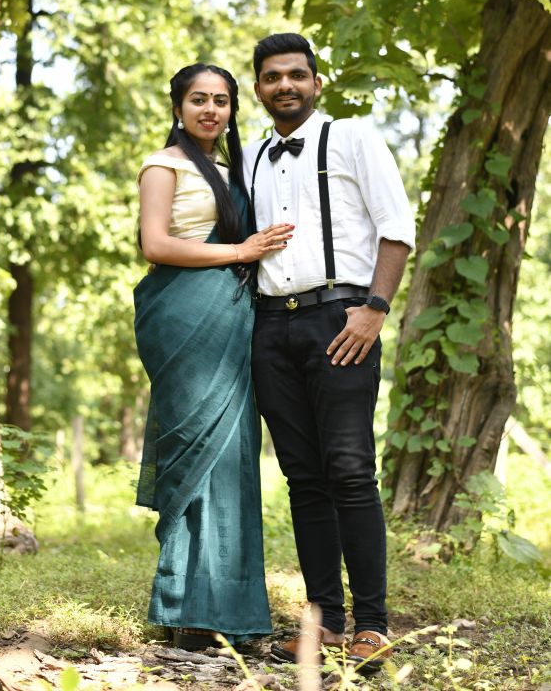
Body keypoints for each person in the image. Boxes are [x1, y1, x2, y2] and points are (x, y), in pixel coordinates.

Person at [243, 34, 415, 672]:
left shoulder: (353, 138)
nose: (284, 85)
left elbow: (397, 228)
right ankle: (326, 621)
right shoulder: (251, 155)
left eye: (296, 74)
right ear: (258, 89)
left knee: (349, 469)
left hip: (341, 319)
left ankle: (372, 624)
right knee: (303, 477)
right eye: (272, 77)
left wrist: (375, 308)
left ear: (317, 82)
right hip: (271, 327)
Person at [134, 63, 293, 648]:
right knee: (192, 454)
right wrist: (241, 251)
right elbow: (155, 244)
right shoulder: (164, 165)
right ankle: (187, 612)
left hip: (235, 316)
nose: (210, 110)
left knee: (234, 457)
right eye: (198, 99)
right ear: (178, 107)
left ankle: (230, 611)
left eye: (221, 101)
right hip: (182, 316)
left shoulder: (237, 170)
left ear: (232, 109)